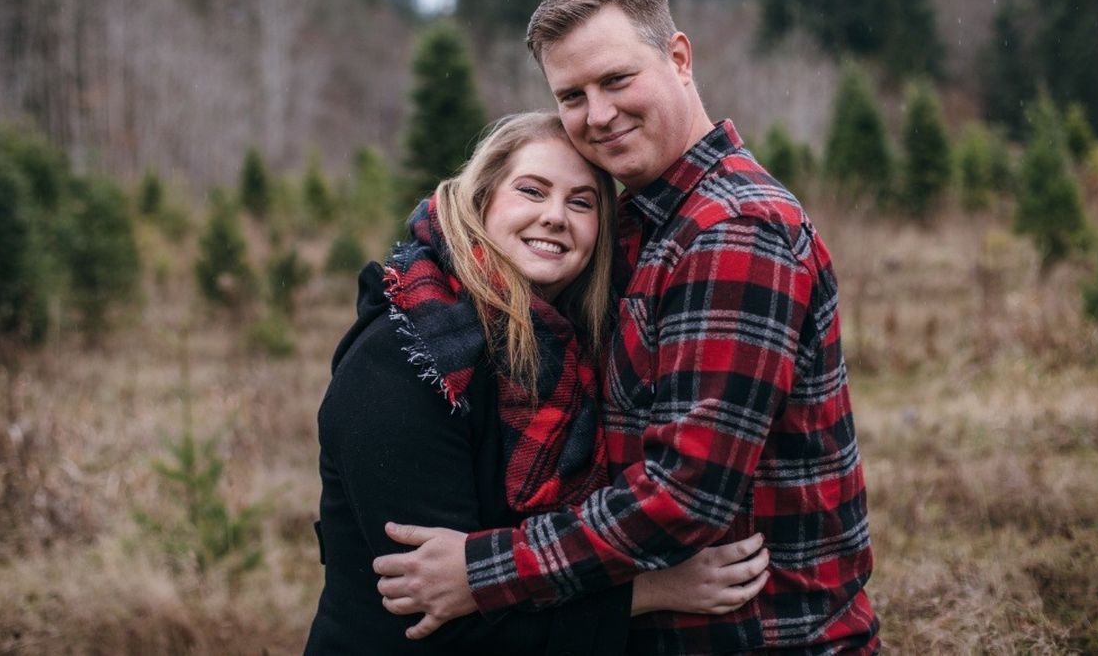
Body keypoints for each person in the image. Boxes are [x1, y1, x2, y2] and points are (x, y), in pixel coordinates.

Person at [374, 0, 880, 654]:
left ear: (679, 58)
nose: (598, 115)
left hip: (761, 637)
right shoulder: (641, 224)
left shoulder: (731, 232)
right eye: (572, 96)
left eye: (616, 80)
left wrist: (483, 572)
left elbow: (685, 496)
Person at [305, 111, 770, 655]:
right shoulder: (408, 357)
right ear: (481, 200)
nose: (554, 217)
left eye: (581, 203)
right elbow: (436, 609)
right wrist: (650, 591)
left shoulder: (582, 352)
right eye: (532, 190)